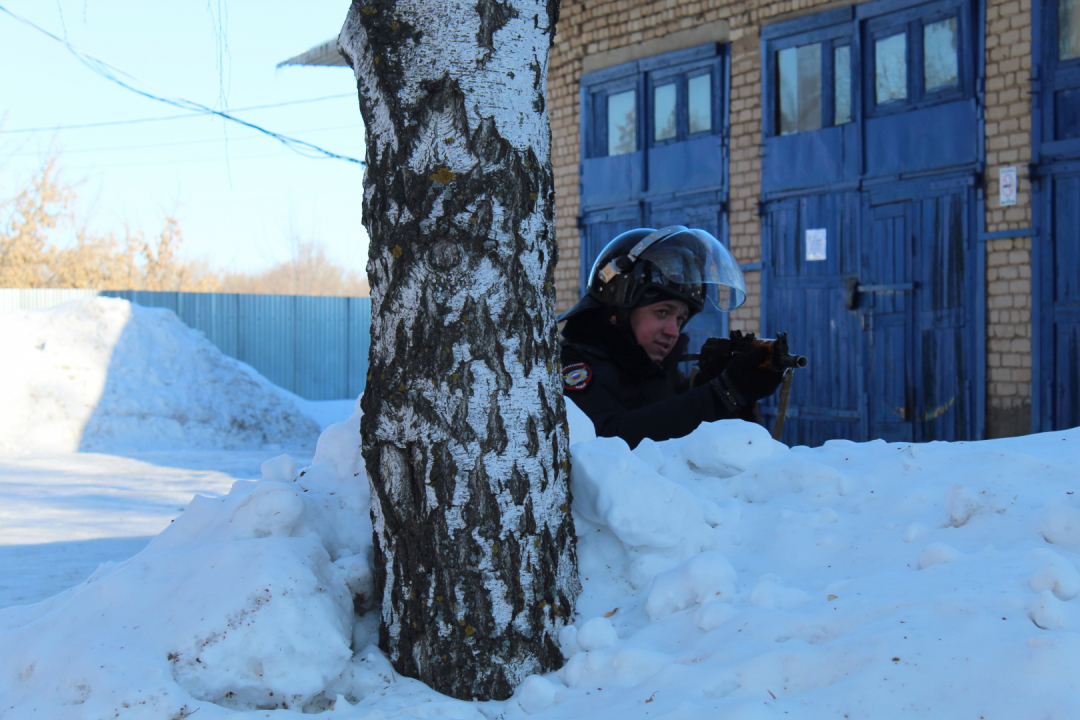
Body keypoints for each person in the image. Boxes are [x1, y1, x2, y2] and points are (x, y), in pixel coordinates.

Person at [559, 225, 783, 448]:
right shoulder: (577, 366)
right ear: (617, 311)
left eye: (680, 319)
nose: (674, 332)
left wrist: (731, 396)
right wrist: (719, 394)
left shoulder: (654, 371)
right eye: (662, 312)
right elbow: (605, 442)